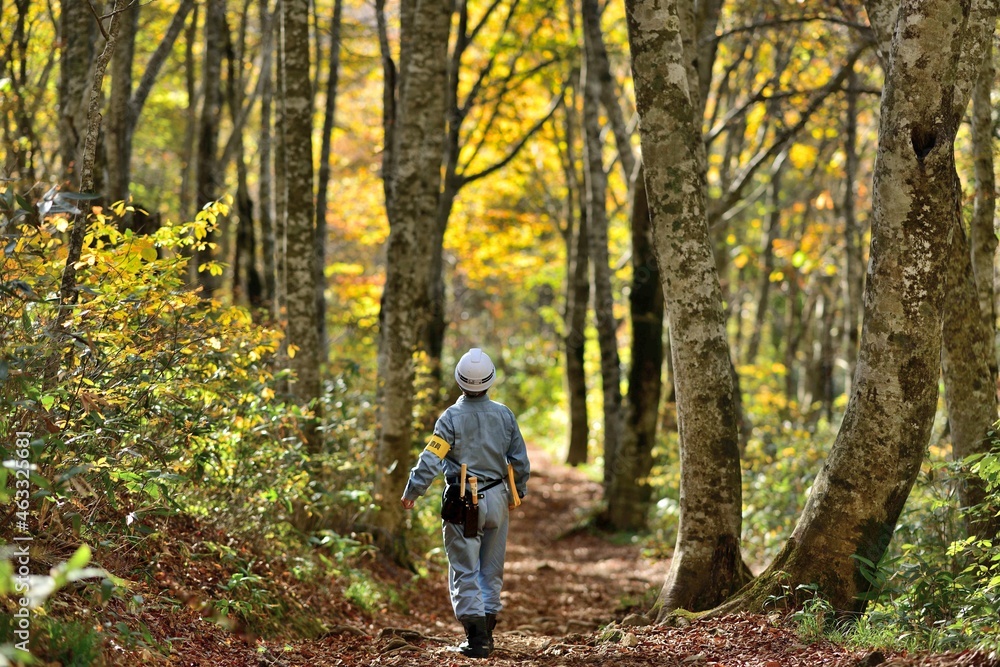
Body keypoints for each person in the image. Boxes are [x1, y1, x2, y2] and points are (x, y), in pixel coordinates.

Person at [400, 348, 530, 658]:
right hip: (498, 499)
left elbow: (431, 460)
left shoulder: (450, 418)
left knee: (464, 569)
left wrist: (412, 491)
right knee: (491, 568)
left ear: (459, 380)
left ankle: (477, 640)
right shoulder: (505, 415)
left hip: (462, 501)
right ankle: (486, 632)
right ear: (490, 381)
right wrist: (518, 492)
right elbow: (521, 462)